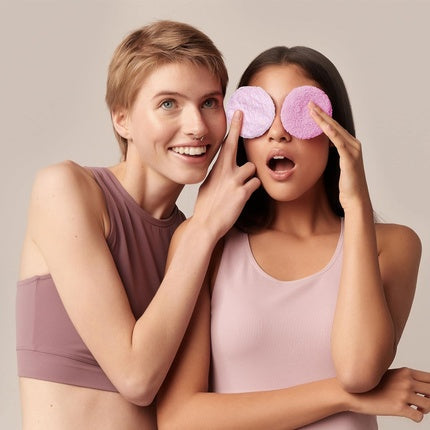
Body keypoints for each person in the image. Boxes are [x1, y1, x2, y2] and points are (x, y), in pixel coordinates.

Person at [157, 46, 430, 429]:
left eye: (300, 114)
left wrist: (356, 204)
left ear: (335, 131)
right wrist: (342, 397)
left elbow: (358, 371)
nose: (278, 132)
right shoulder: (206, 241)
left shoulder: (394, 245)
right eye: (260, 114)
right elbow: (180, 419)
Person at [16, 20, 260, 430]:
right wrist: (204, 228)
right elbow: (136, 378)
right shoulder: (67, 189)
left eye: (210, 102)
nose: (197, 126)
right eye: (168, 104)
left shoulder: (197, 237)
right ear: (122, 119)